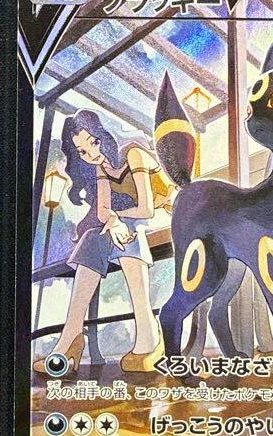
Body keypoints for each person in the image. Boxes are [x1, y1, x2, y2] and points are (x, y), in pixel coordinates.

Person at [35, 110, 171, 376]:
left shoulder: (133, 154)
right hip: (131, 223)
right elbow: (103, 212)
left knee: (127, 228)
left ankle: (149, 331)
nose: (92, 153)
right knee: (92, 238)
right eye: (82, 152)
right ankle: (71, 337)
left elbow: (146, 209)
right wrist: (114, 219)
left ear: (105, 134)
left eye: (94, 142)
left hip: (167, 214)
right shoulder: (102, 167)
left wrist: (116, 218)